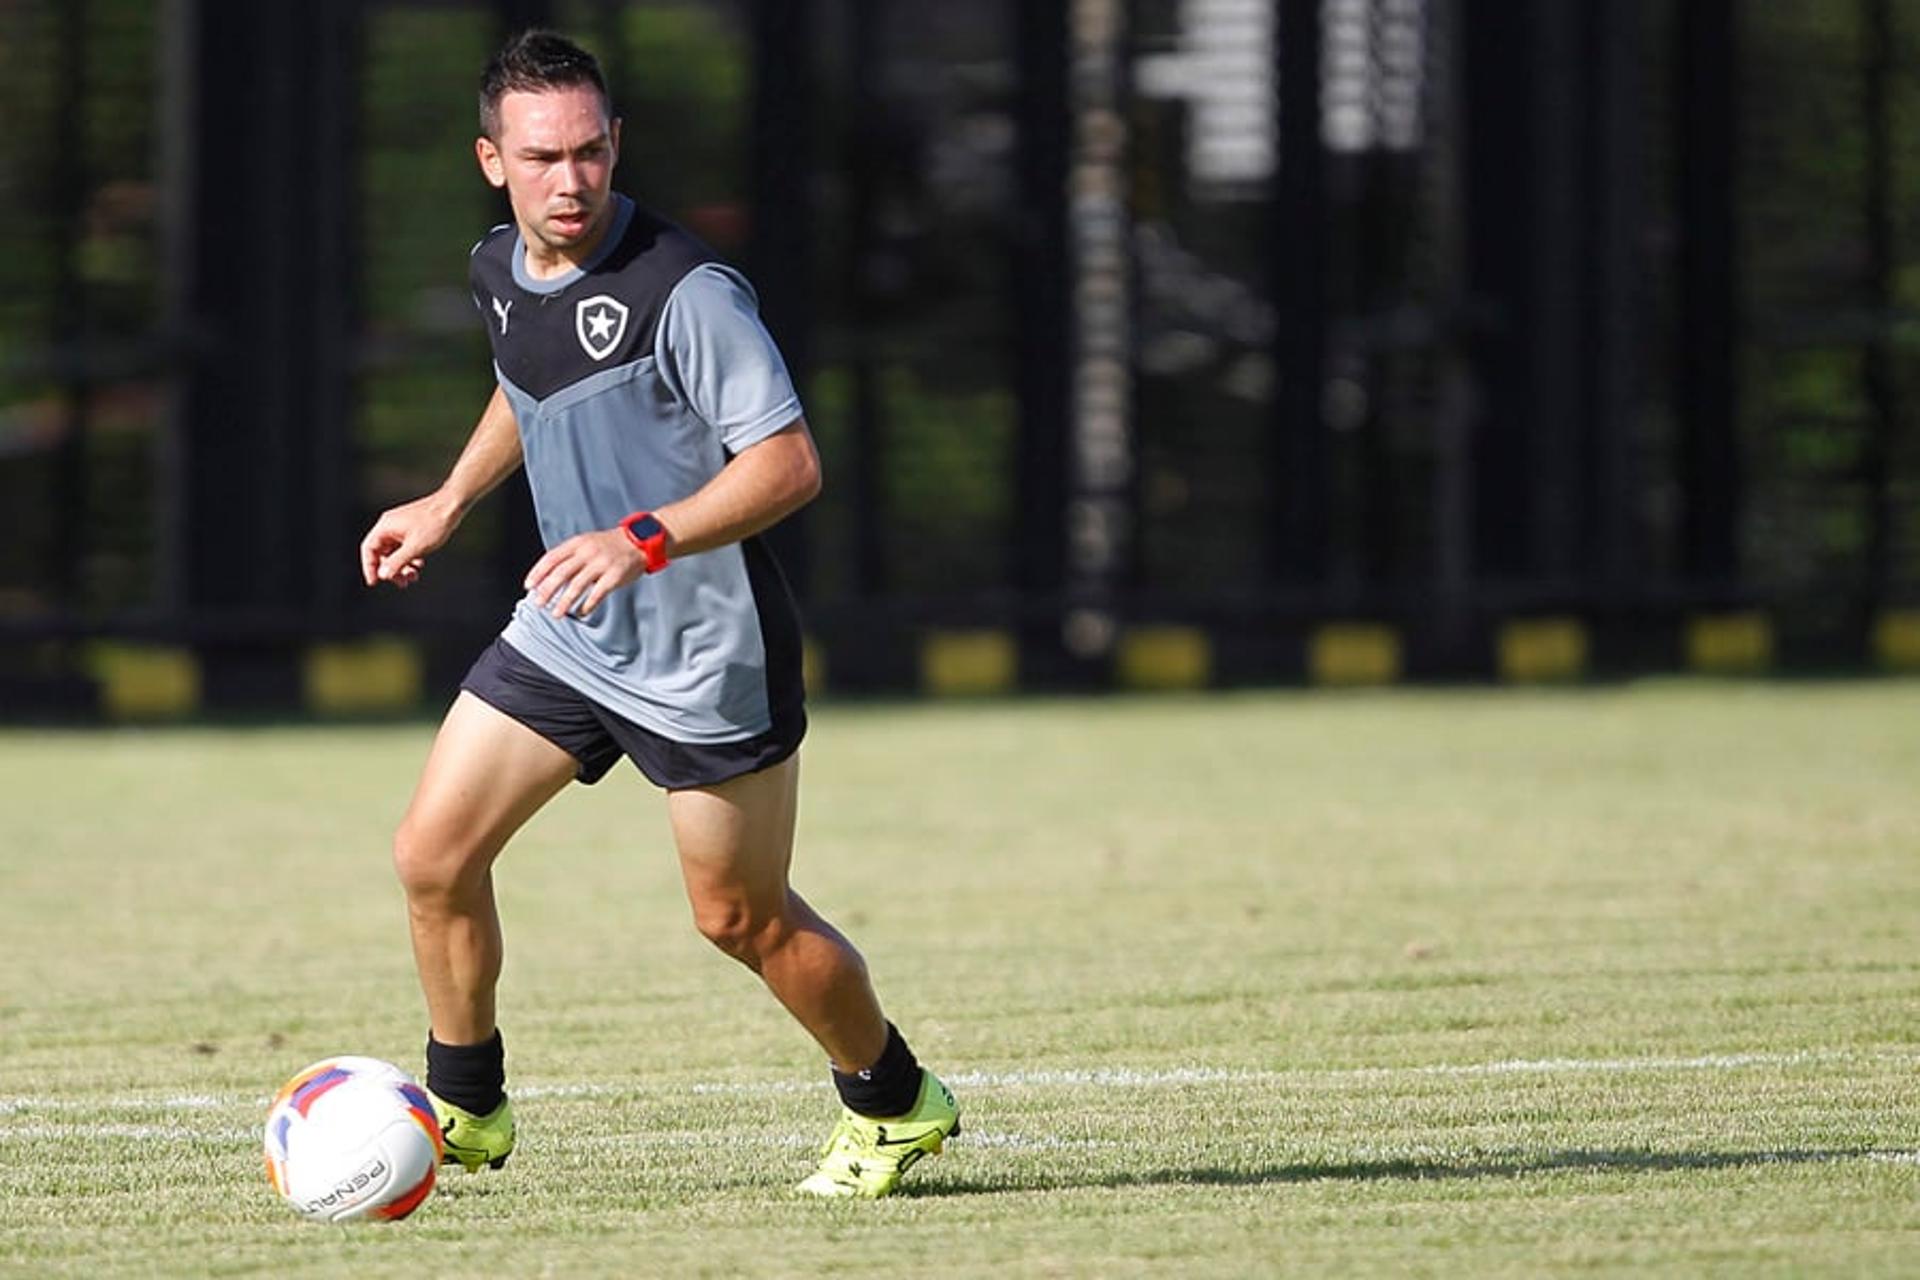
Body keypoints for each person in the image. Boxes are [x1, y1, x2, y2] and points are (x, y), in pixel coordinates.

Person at [357, 29, 958, 1199]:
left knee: (740, 919)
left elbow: (787, 464)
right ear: (493, 160)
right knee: (432, 855)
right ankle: (467, 1104)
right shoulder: (499, 267)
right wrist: (446, 501)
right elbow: (524, 379)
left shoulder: (684, 288)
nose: (570, 180)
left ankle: (893, 1100)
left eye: (589, 151)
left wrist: (645, 537)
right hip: (571, 626)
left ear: (615, 143)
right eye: (542, 157)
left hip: (702, 652)